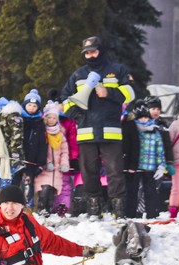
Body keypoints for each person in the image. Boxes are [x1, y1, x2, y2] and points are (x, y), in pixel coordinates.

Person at [61, 36, 134, 218]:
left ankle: (118, 210)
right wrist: (77, 116)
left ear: (100, 50)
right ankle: (94, 209)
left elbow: (131, 92)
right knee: (89, 172)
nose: (90, 55)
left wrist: (109, 92)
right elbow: (65, 99)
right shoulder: (78, 75)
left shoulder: (117, 70)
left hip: (111, 131)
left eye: (93, 51)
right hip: (86, 132)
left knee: (115, 171)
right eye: (87, 53)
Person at [122, 99, 167, 219]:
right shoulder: (133, 131)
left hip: (149, 167)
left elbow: (160, 150)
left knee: (151, 192)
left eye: (146, 118)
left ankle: (152, 214)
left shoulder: (154, 131)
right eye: (141, 118)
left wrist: (161, 165)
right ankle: (130, 214)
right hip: (135, 167)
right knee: (133, 192)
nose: (144, 120)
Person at [33, 102, 70, 216]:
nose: (51, 120)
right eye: (49, 117)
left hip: (57, 169)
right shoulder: (42, 132)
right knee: (44, 188)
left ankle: (49, 209)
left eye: (54, 117)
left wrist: (64, 163)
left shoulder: (60, 134)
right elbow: (41, 150)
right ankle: (41, 208)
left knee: (52, 191)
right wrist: (46, 163)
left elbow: (64, 151)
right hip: (45, 168)